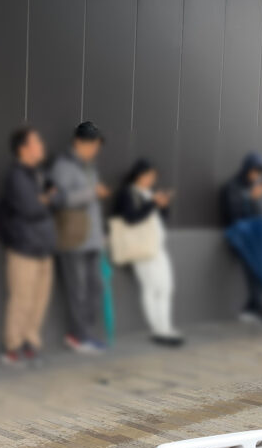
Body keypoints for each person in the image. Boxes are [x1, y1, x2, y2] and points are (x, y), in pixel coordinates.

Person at [0, 126, 57, 367]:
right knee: (21, 300)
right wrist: (46, 199)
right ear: (23, 149)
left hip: (44, 247)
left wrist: (45, 199)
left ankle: (30, 344)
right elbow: (31, 208)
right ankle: (13, 347)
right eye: (36, 142)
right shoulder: (16, 176)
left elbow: (55, 199)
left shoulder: (38, 174)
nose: (41, 146)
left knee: (39, 300)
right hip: (23, 248)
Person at [50, 121, 109, 353]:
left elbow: (93, 205)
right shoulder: (63, 166)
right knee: (78, 290)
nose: (95, 150)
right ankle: (78, 336)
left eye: (97, 147)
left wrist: (101, 234)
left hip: (92, 238)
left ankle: (87, 333)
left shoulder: (90, 167)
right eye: (92, 145)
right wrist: (91, 192)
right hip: (73, 238)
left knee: (96, 287)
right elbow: (58, 199)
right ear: (78, 142)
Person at [114, 158, 183, 346]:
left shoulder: (150, 193)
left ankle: (166, 326)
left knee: (167, 287)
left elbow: (162, 219)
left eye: (154, 176)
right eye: (149, 176)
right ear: (139, 175)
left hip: (157, 246)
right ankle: (157, 330)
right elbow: (131, 219)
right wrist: (152, 203)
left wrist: (163, 204)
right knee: (151, 287)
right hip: (141, 248)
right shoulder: (128, 193)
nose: (151, 180)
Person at [219, 152, 262, 327]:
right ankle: (260, 310)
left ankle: (250, 308)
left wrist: (255, 199)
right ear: (246, 169)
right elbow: (233, 214)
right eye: (254, 171)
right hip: (241, 237)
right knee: (254, 274)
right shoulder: (231, 187)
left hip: (257, 238)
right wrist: (251, 199)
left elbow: (259, 215)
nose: (256, 176)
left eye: (259, 173)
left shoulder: (255, 188)